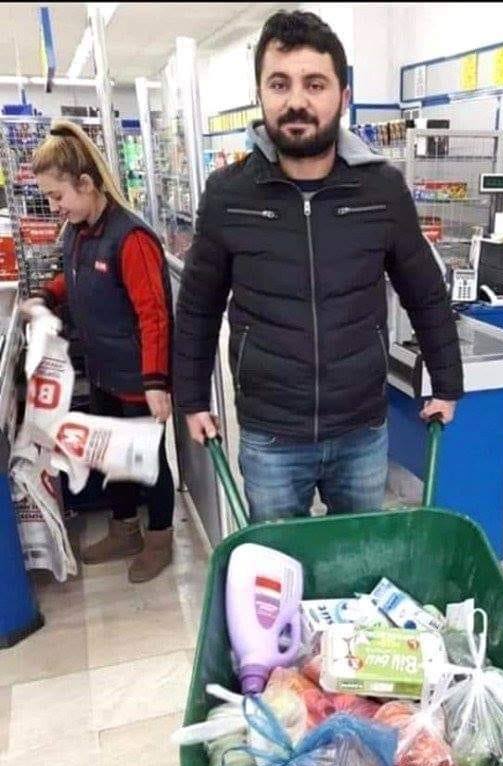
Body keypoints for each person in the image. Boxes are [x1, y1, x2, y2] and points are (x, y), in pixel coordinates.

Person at [174, 11, 463, 522]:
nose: (296, 101)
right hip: (271, 434)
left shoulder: (382, 190)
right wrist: (193, 398)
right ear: (260, 94)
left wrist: (446, 383)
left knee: (356, 557)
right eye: (279, 84)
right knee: (276, 563)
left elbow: (425, 292)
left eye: (315, 84)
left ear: (343, 96)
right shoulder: (228, 195)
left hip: (361, 429)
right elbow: (198, 307)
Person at [29, 120, 174, 582]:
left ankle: (160, 539)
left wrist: (156, 382)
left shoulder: (131, 239)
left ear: (86, 184)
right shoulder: (78, 231)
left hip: (137, 376)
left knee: (147, 462)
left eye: (57, 196)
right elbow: (76, 277)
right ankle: (124, 529)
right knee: (114, 457)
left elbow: (154, 315)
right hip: (103, 368)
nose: (54, 206)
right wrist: (49, 295)